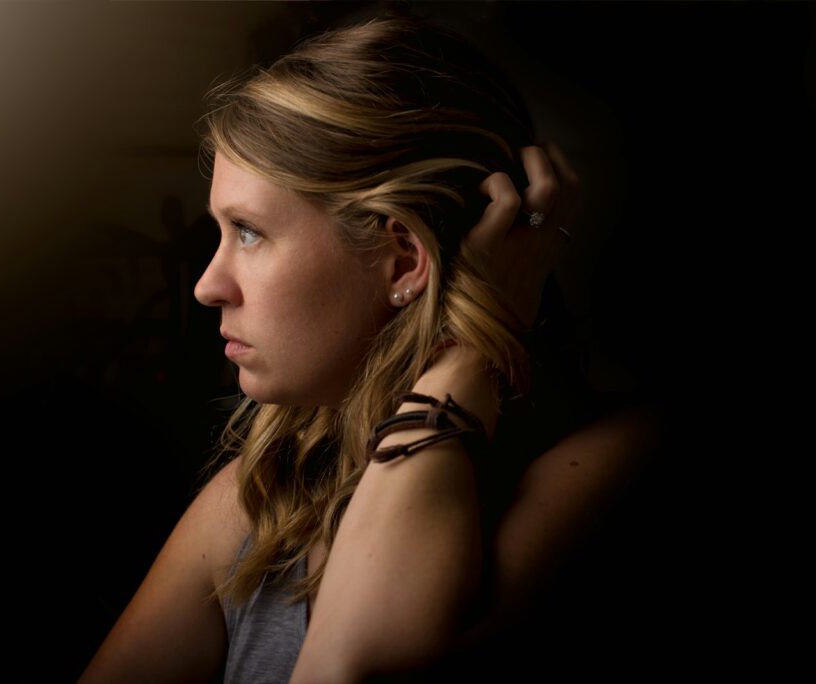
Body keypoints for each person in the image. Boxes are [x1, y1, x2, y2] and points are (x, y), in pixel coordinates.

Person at [79, 16, 661, 684]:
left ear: (403, 257)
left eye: (248, 233)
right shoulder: (263, 497)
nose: (209, 287)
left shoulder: (611, 466)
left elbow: (350, 666)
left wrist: (470, 351)